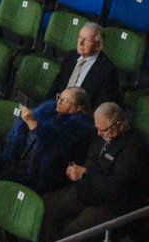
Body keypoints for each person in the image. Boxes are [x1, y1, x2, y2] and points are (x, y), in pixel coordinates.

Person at [40, 102, 149, 240]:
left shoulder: (134, 149)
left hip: (109, 205)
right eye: (97, 128)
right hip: (86, 189)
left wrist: (85, 174)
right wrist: (74, 168)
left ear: (120, 125)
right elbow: (90, 156)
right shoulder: (104, 134)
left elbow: (116, 188)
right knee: (46, 205)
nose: (98, 133)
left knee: (74, 234)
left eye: (102, 130)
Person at [0, 86, 95, 194]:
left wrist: (32, 122)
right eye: (59, 97)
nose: (59, 102)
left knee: (1, 183)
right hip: (28, 160)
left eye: (65, 100)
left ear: (77, 108)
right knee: (0, 177)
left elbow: (51, 142)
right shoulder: (49, 110)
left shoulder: (79, 126)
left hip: (45, 171)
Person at [49, 22, 120, 108]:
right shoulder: (71, 56)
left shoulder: (107, 70)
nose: (80, 43)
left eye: (87, 40)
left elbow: (100, 106)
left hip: (79, 115)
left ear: (99, 46)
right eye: (80, 37)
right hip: (57, 106)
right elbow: (56, 86)